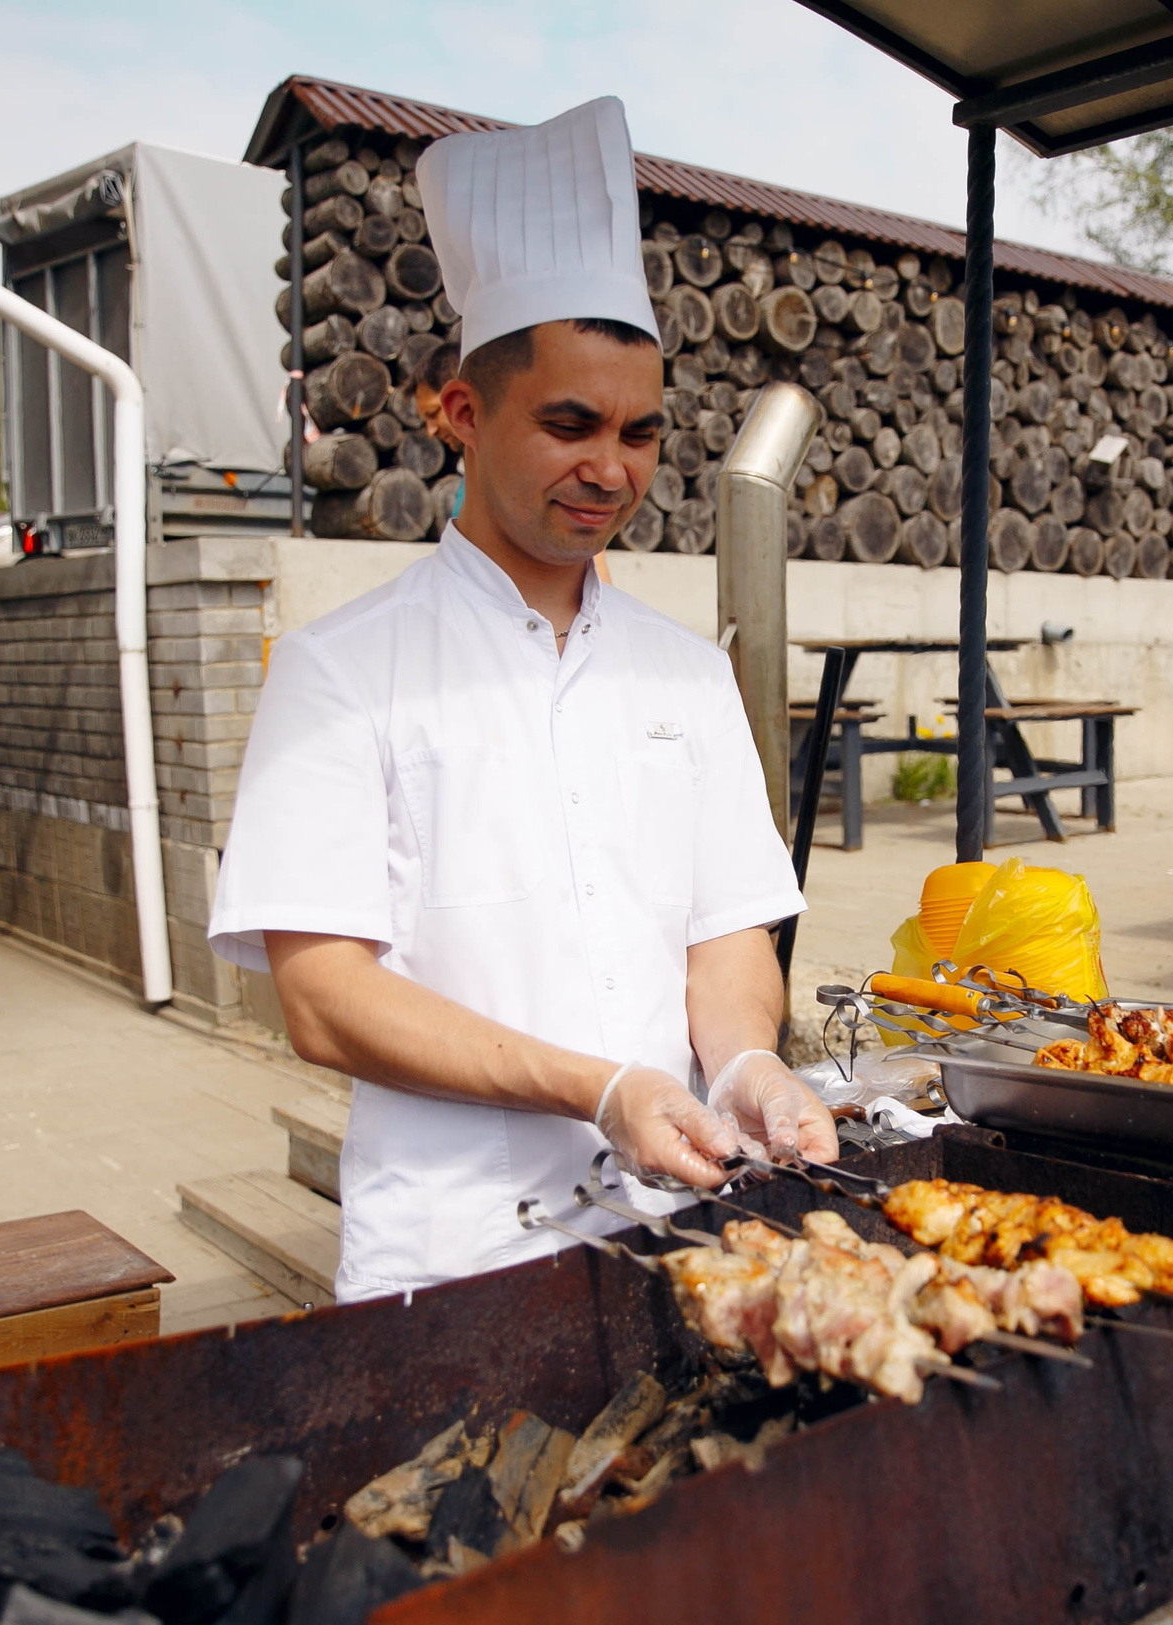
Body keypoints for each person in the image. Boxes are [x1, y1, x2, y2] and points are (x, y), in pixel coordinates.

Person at [208, 97, 835, 1302]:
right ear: (460, 413)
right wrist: (593, 1085)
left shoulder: (684, 673)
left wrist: (747, 1059)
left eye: (641, 432)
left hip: (677, 1221)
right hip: (451, 1253)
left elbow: (726, 932)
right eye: (569, 423)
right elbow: (324, 999)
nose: (611, 468)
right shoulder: (342, 670)